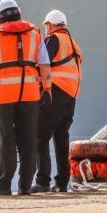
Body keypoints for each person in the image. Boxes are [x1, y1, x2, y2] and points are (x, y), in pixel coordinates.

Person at [0, 0, 52, 196]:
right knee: (28, 140)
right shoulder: (35, 35)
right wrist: (47, 89)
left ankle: (2, 185)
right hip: (29, 95)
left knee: (5, 140)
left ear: (0, 16)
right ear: (18, 12)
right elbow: (44, 64)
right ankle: (25, 186)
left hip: (2, 97)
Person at [31, 10, 82, 193]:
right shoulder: (74, 44)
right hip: (70, 98)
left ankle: (42, 181)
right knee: (61, 139)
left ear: (49, 25)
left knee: (40, 137)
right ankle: (62, 183)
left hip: (55, 93)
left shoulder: (53, 40)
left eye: (46, 26)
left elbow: (43, 63)